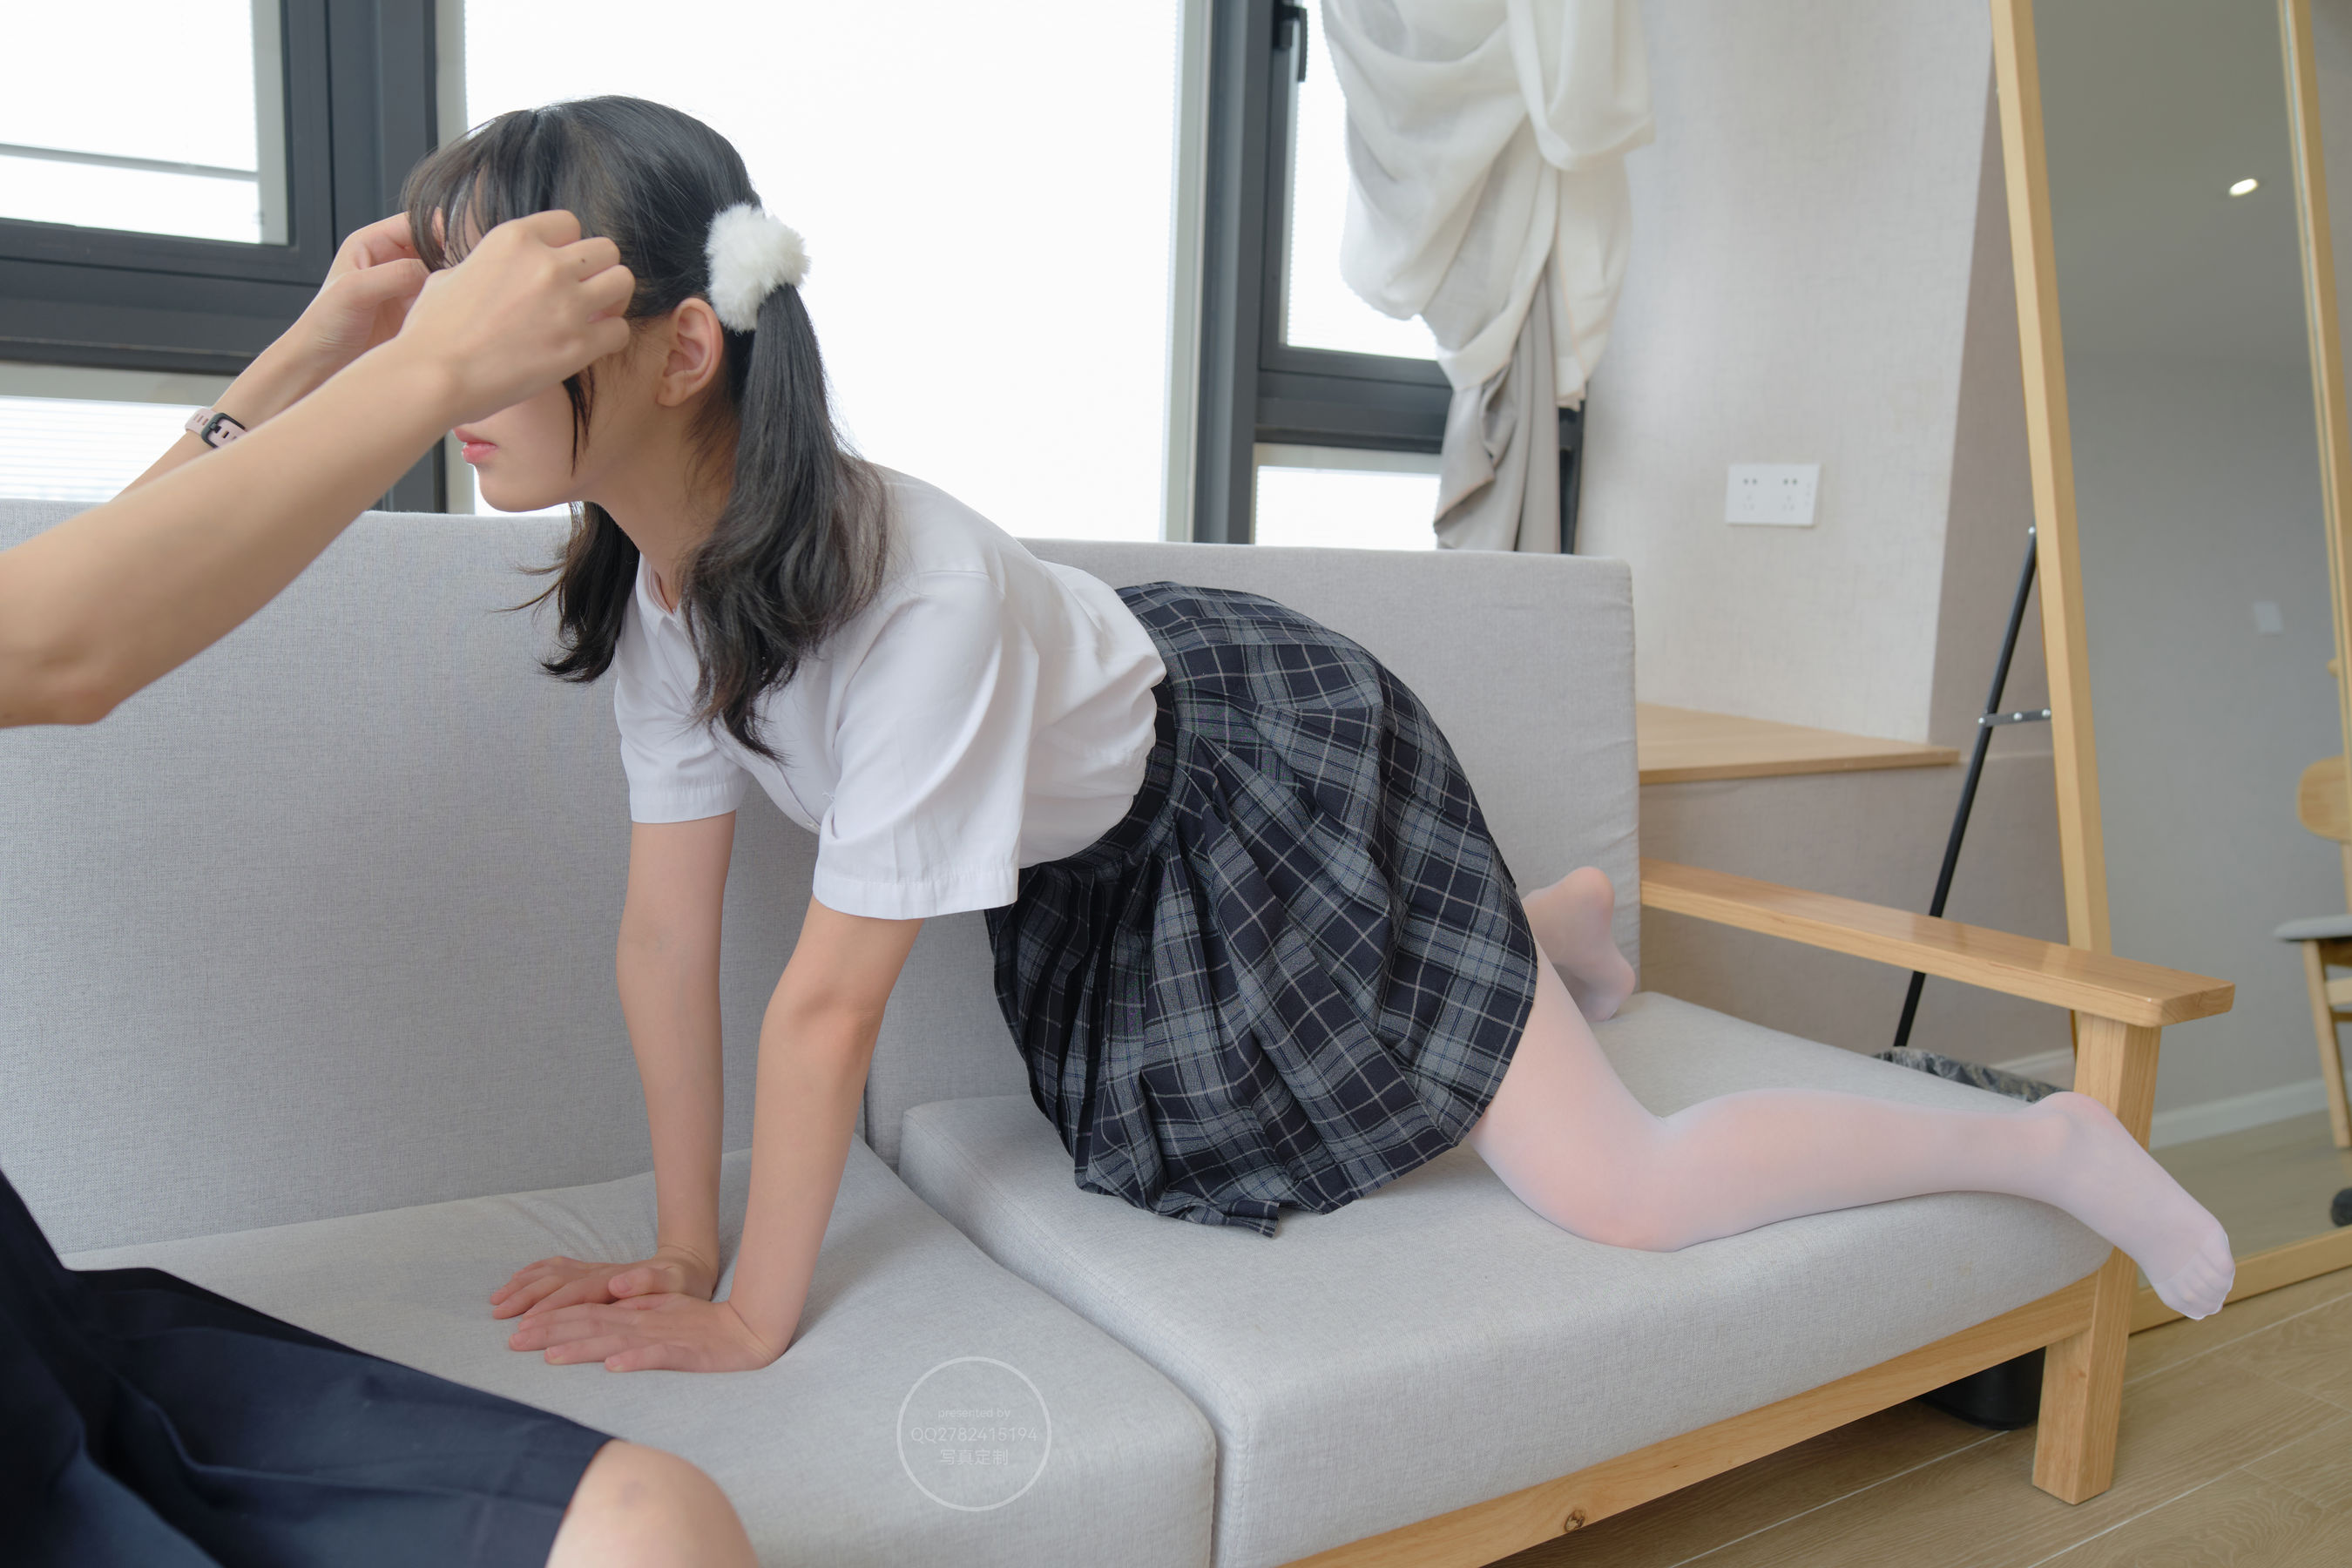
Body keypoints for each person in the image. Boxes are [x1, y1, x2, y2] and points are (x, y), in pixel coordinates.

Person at [428, 98, 2234, 1384]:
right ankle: (1551, 928)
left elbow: (824, 1014)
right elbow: (666, 937)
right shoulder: (660, 587)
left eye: (495, 319)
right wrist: (677, 1251)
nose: (450, 371)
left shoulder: (917, 605)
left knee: (1622, 1191)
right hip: (1121, 854)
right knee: (1223, 1127)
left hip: (1274, 770)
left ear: (682, 351)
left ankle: (2046, 1149)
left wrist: (748, 1315)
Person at [0, 206, 755, 1566]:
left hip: (38, 1332)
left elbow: (68, 609)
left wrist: (315, 353)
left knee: (660, 1525)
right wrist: (428, 368)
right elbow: (56, 652)